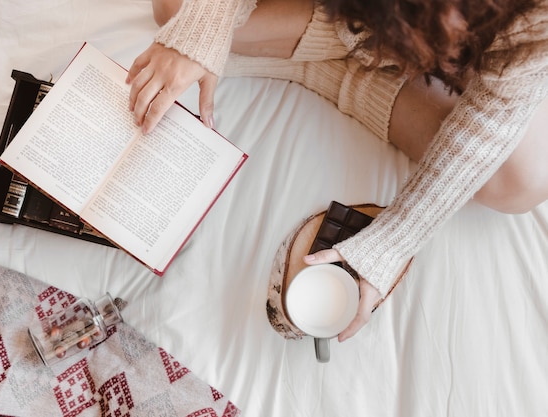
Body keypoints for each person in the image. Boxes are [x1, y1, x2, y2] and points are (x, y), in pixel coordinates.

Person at [126, 0, 548, 342]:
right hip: (345, 15)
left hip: (458, 64)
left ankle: (317, 67)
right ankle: (329, 54)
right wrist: (200, 31)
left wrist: (393, 240)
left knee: (521, 184)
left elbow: (492, 115)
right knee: (175, 9)